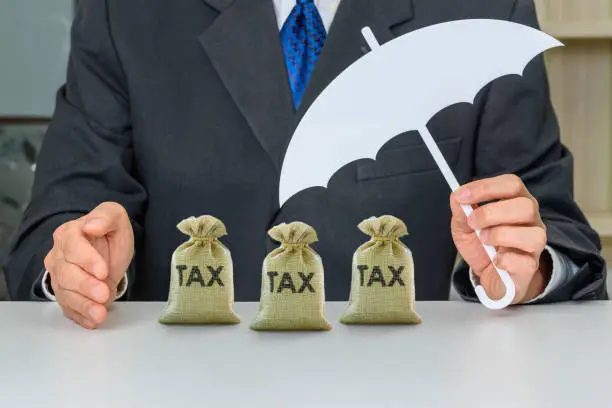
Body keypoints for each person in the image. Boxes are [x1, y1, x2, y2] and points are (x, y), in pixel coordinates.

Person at [4, 0, 607, 329]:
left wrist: (524, 269)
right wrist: (75, 264)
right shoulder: (125, 12)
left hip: (409, 386)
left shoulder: (482, 8)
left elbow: (562, 239)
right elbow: (52, 223)